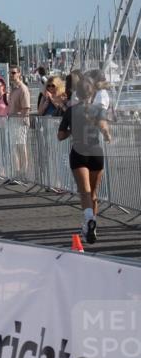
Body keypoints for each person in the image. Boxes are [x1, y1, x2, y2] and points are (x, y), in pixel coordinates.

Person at [57, 76, 111, 244]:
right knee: (93, 194)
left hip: (79, 151)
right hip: (96, 152)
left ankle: (88, 220)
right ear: (92, 93)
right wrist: (107, 135)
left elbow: (60, 135)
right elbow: (104, 129)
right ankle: (91, 225)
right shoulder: (99, 110)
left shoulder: (71, 111)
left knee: (84, 192)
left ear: (77, 94)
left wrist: (71, 131)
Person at [7, 67, 32, 183]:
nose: (11, 75)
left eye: (13, 73)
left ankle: (23, 172)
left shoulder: (23, 89)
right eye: (10, 73)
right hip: (13, 122)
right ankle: (18, 172)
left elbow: (26, 108)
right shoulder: (13, 89)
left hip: (20, 123)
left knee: (21, 147)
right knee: (15, 148)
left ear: (19, 74)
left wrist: (19, 120)